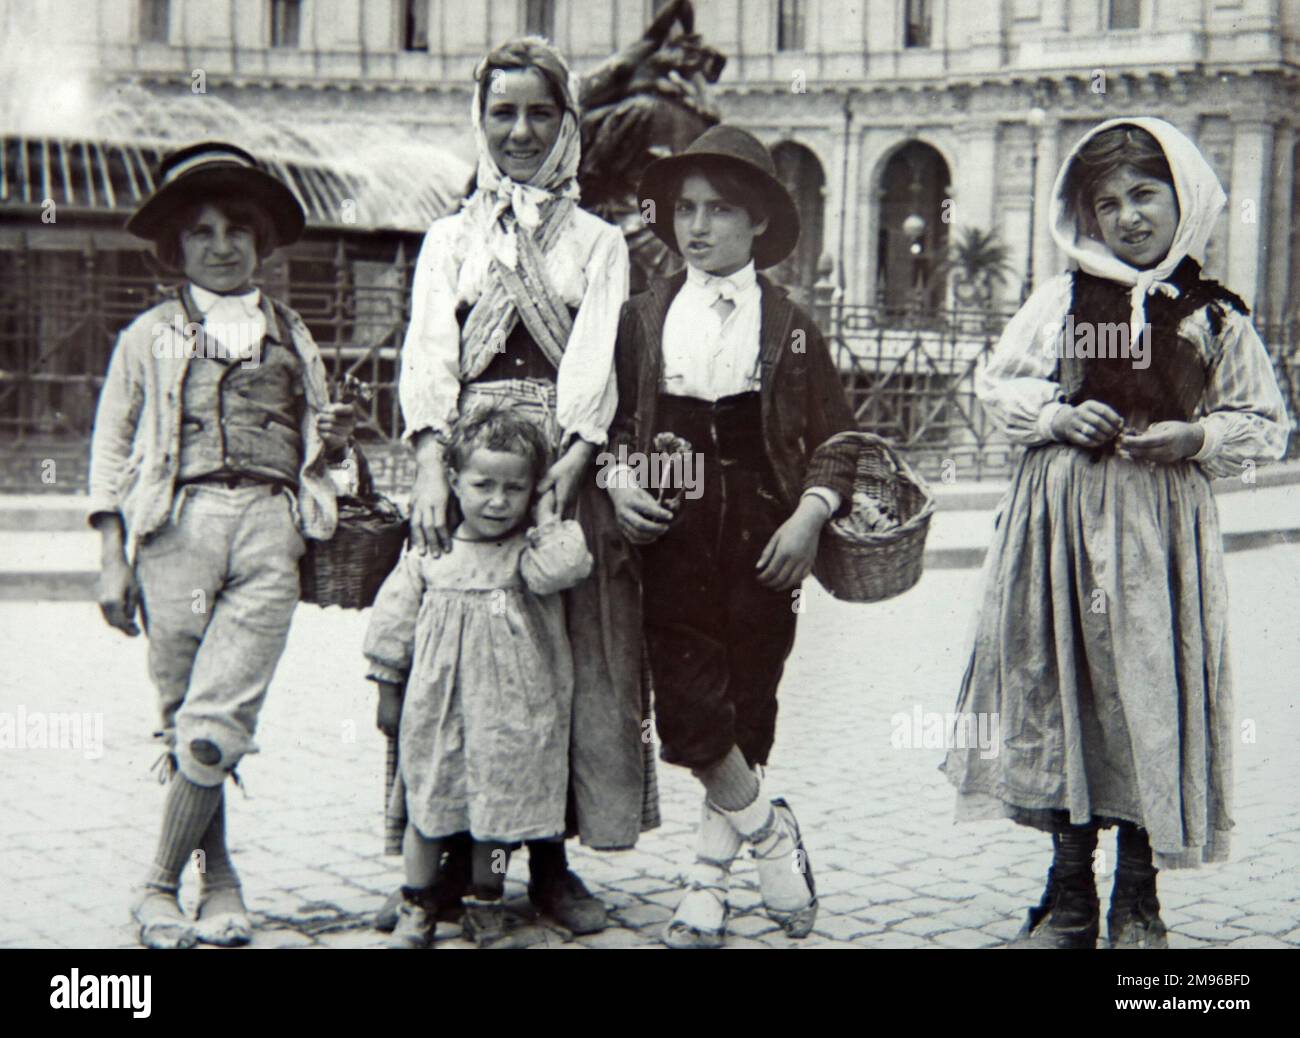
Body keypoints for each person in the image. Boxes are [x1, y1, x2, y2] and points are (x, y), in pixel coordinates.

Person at [942, 117, 1289, 949]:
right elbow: (996, 385)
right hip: (1060, 525)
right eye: (1108, 203)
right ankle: (1067, 896)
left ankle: (1139, 897)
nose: (1129, 217)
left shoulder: (1215, 318)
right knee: (1067, 688)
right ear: (1085, 217)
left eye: (1145, 195)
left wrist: (1195, 439)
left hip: (1157, 535)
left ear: (1184, 200)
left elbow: (1265, 424)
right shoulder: (1062, 300)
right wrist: (1059, 413)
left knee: (1149, 696)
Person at [392, 36, 656, 935]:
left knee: (564, 664)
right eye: (503, 111)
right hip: (472, 477)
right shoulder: (449, 239)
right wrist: (432, 464)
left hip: (557, 475)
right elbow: (429, 351)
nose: (520, 129)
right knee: (462, 666)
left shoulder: (600, 242)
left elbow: (594, 360)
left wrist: (573, 465)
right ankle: (447, 862)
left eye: (540, 111)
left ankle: (552, 863)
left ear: (567, 121)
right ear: (481, 119)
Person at [88, 141, 357, 948]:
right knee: (183, 717)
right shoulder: (149, 335)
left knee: (219, 717)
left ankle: (157, 886)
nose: (222, 243)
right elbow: (110, 446)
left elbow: (323, 449)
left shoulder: (293, 332)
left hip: (268, 532)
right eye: (201, 230)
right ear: (176, 245)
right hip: (175, 532)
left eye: (239, 226)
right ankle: (223, 879)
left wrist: (334, 441)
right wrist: (111, 555)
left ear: (264, 240)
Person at [607, 124, 859, 948]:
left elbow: (838, 439)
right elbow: (606, 427)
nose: (698, 227)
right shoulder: (641, 319)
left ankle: (707, 884)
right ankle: (770, 837)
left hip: (764, 531)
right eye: (685, 208)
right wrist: (620, 484)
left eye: (720, 210)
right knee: (689, 710)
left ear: (758, 224)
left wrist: (809, 515)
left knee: (750, 704)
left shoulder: (790, 323)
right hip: (673, 527)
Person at [366, 406, 593, 949]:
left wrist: (543, 514)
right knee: (429, 802)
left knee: (497, 815)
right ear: (452, 483)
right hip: (440, 710)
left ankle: (485, 907)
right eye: (482, 484)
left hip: (514, 714)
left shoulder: (530, 553)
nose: (497, 500)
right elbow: (392, 621)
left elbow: (567, 565)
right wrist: (387, 690)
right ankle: (417, 904)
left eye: (514, 488)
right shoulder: (432, 550)